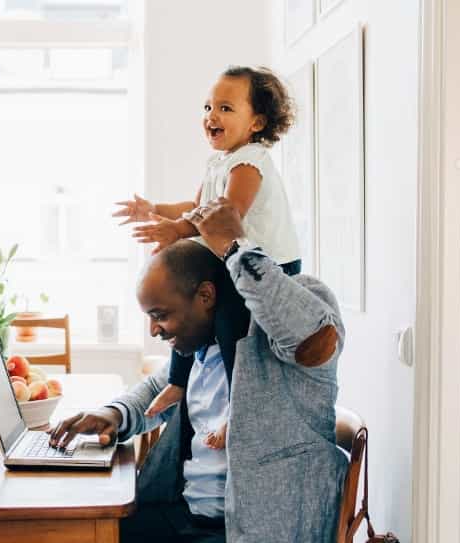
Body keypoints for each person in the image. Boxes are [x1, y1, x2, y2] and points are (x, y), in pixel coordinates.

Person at [51, 198, 347, 542]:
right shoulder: (205, 345)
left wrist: (236, 247)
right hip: (187, 516)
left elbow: (315, 340)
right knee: (79, 531)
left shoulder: (297, 305)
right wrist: (112, 414)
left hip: (257, 529)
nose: (154, 331)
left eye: (160, 315)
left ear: (206, 296)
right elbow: (154, 389)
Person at [113, 66, 303, 446]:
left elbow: (226, 217)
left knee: (231, 328)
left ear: (257, 122)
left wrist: (178, 230)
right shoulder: (219, 162)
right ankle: (178, 382)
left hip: (267, 266)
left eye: (226, 108)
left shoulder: (250, 162)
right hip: (230, 258)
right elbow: (197, 206)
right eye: (207, 107)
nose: (211, 116)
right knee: (192, 312)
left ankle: (239, 411)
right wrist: (156, 209)